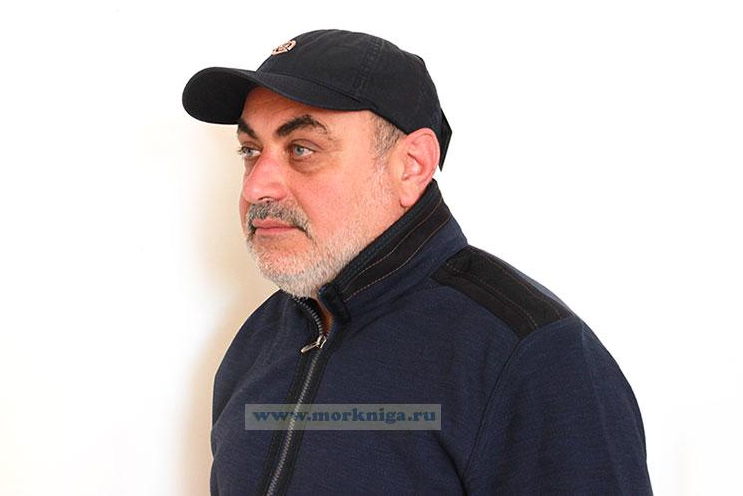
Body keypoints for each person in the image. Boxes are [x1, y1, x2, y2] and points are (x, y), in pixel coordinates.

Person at [183, 29, 652, 495]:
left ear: (412, 165)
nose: (256, 188)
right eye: (251, 151)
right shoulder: (260, 339)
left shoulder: (532, 357)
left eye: (302, 149)